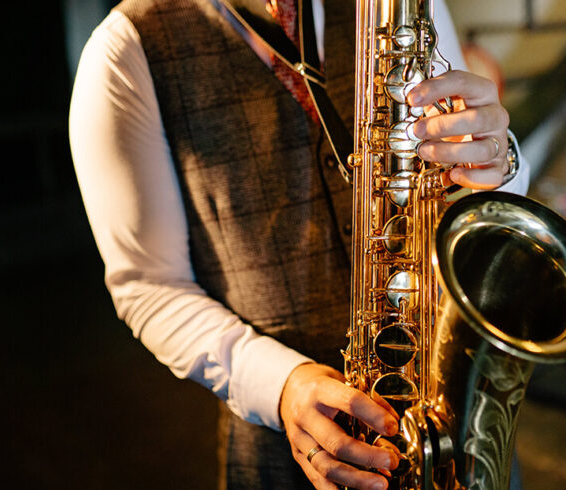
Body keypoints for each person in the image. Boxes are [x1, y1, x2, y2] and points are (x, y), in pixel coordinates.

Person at [69, 0, 529, 489]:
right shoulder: (124, 49)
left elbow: (474, 186)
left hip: (454, 435)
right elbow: (148, 287)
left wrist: (499, 158)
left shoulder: (403, 10)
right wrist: (282, 385)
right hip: (284, 456)